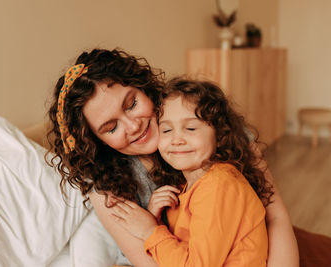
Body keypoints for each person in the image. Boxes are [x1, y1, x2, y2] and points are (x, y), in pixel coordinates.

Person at [47, 48, 299, 266]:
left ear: (144, 88)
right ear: (97, 143)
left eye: (132, 104)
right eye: (111, 128)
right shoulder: (104, 186)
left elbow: (275, 215)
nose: (133, 126)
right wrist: (152, 222)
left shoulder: (216, 130)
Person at [110, 77, 271, 266]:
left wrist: (150, 231)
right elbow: (179, 250)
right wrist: (155, 220)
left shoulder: (219, 185)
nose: (177, 139)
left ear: (219, 134)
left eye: (191, 128)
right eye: (167, 130)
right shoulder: (188, 186)